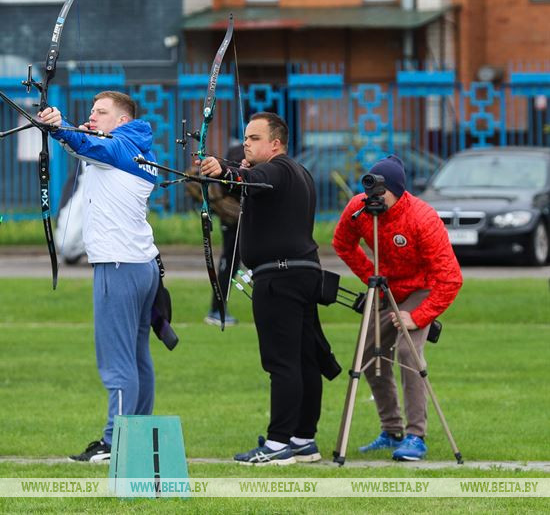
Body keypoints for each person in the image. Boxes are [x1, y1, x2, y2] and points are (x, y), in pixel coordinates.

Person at [199, 112, 330, 465]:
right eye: (245, 137)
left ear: (276, 143)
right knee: (304, 359)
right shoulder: (297, 173)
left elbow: (253, 176)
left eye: (254, 138)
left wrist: (226, 170)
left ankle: (277, 444)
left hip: (281, 279)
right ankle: (304, 439)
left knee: (282, 362)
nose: (246, 143)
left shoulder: (279, 169)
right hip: (302, 274)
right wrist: (227, 175)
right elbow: (248, 182)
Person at [38, 91, 160, 462]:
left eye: (101, 112)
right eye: (91, 110)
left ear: (121, 120)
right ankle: (135, 435)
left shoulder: (119, 148)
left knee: (117, 360)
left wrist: (59, 129)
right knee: (137, 357)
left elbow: (91, 147)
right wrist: (64, 129)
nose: (93, 116)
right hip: (140, 266)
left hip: (119, 266)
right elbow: (88, 145)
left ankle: (116, 442)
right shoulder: (135, 147)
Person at [332, 155, 462, 461]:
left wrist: (417, 316)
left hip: (420, 288)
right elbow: (342, 243)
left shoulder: (422, 218)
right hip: (385, 285)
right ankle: (392, 430)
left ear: (398, 191)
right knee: (368, 354)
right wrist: (371, 277)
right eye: (370, 193)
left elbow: (450, 278)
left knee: (407, 352)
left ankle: (416, 435)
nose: (373, 200)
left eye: (381, 194)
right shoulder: (359, 209)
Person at [187, 141, 244, 327]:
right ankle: (217, 310)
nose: (250, 142)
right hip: (233, 217)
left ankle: (217, 309)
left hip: (244, 216)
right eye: (249, 138)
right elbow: (228, 183)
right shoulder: (238, 151)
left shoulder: (246, 151)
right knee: (229, 263)